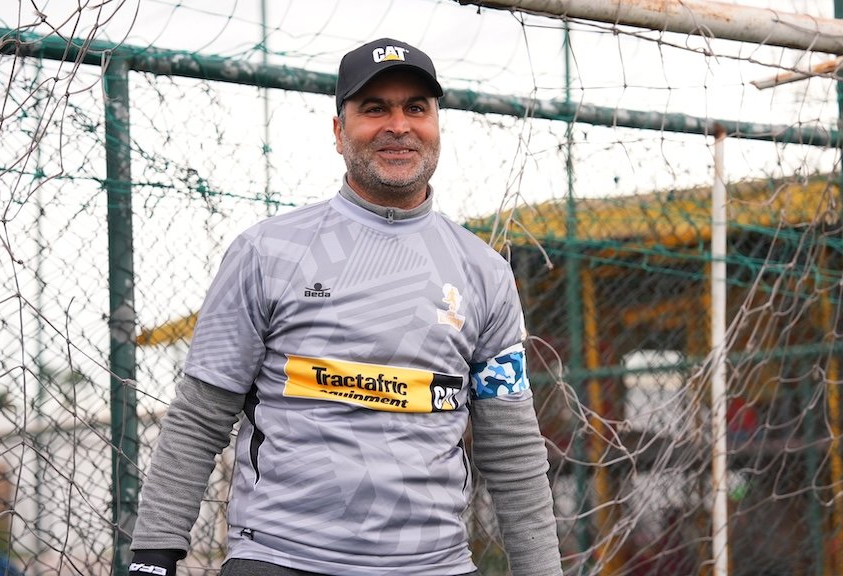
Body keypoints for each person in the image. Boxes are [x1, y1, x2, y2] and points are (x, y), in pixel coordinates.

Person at [128, 37, 562, 576]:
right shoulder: (266, 253)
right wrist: (153, 557)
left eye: (416, 108)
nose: (398, 126)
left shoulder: (485, 273)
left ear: (436, 126)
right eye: (375, 108)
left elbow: (512, 447)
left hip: (435, 564)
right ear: (338, 132)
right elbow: (199, 418)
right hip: (281, 559)